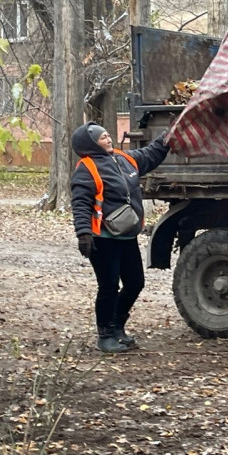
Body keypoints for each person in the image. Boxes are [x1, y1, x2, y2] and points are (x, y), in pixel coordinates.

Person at [71, 122, 170, 353]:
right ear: (91, 143)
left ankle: (117, 327)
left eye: (107, 135)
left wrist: (167, 138)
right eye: (102, 137)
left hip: (127, 236)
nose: (108, 139)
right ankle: (105, 335)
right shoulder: (86, 168)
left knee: (136, 283)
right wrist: (83, 233)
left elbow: (150, 155)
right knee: (108, 287)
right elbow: (80, 203)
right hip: (102, 238)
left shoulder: (124, 159)